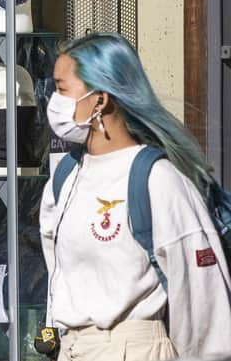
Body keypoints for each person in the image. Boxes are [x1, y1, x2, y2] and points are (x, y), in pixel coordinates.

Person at [39, 32, 231, 360]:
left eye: (61, 89)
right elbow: (60, 280)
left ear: (100, 100)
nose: (53, 103)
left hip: (135, 348)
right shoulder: (64, 177)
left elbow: (201, 295)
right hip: (72, 349)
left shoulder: (158, 179)